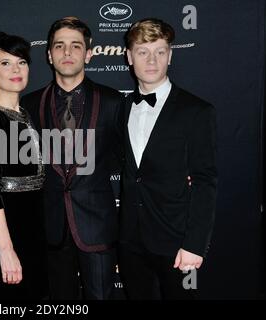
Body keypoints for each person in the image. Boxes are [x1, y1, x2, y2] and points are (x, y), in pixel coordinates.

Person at [20, 17, 124, 300]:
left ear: (88, 53)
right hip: (50, 227)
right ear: (49, 55)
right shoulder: (29, 105)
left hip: (97, 225)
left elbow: (128, 157)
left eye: (75, 46)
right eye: (60, 46)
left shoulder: (114, 102)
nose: (67, 53)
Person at [118, 18, 217, 299]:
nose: (152, 60)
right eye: (143, 52)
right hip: (130, 241)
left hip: (176, 243)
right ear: (129, 57)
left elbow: (205, 181)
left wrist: (195, 244)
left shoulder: (196, 111)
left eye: (160, 51)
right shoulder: (122, 108)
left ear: (170, 56)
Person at [0, 32, 49, 300]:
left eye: (22, 62)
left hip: (31, 229)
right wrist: (5, 248)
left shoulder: (25, 113)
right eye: (5, 63)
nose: (16, 69)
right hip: (5, 231)